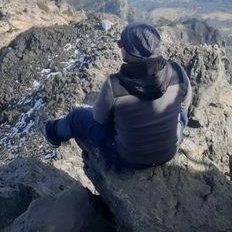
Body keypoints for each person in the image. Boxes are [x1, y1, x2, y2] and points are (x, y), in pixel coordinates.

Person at [43, 22, 192, 170]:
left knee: (77, 117)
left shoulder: (114, 85)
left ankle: (52, 132)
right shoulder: (178, 73)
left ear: (130, 52)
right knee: (182, 111)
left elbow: (99, 119)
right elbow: (185, 106)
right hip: (169, 153)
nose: (120, 47)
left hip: (130, 159)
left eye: (122, 44)